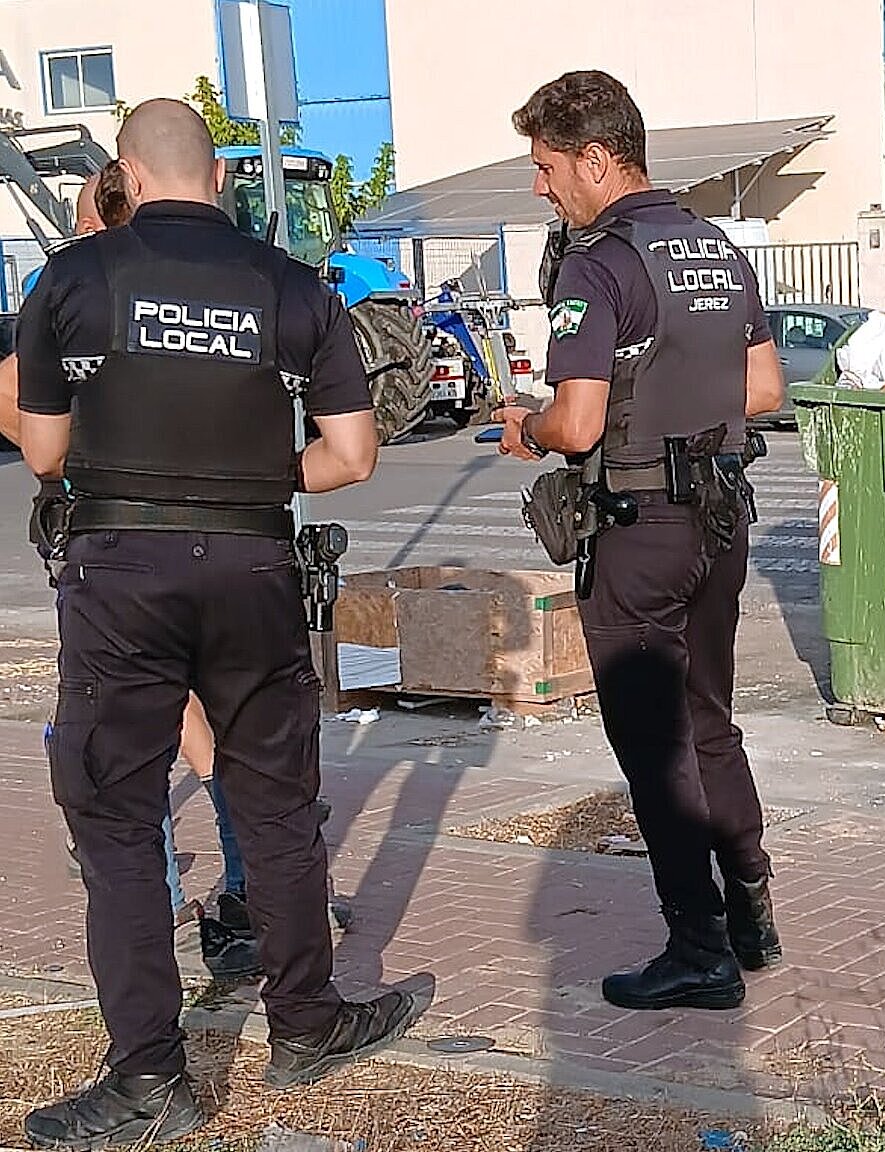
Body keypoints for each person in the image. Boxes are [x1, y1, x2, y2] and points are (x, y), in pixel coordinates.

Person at [15, 99, 428, 1148]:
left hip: (122, 575)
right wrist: (247, 480)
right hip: (254, 567)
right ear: (216, 175)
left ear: (130, 173)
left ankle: (151, 1080)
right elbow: (353, 457)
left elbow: (49, 453)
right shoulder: (294, 289)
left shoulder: (74, 278)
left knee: (115, 816)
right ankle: (307, 1021)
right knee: (276, 801)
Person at [497, 70, 786, 1011]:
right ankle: (751, 911)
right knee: (710, 719)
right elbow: (765, 392)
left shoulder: (597, 262)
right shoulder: (716, 248)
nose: (541, 187)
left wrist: (528, 427)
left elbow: (578, 425)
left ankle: (697, 948)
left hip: (637, 527)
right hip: (718, 519)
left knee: (653, 744)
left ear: (595, 157)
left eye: (546, 167)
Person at [1, 165, 248, 934]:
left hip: (132, 548)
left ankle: (191, 890)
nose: (78, 238)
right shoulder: (92, 286)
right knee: (167, 714)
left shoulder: (94, 285)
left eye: (84, 223)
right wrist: (82, 463)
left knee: (144, 720)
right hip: (133, 535)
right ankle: (216, 885)